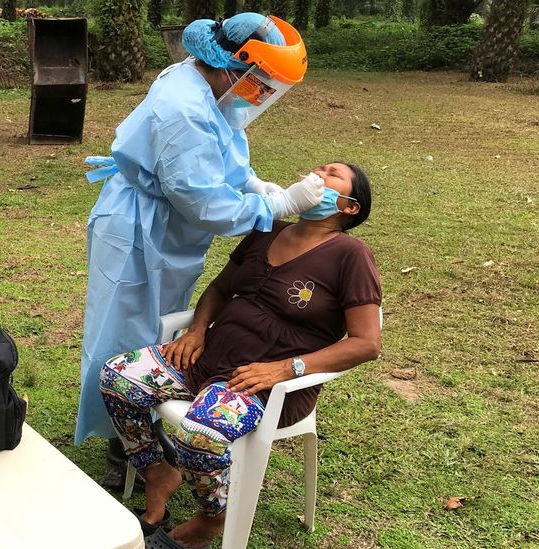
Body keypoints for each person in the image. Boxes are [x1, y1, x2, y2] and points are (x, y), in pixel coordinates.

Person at [76, 13, 324, 487]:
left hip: (168, 227)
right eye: (262, 81)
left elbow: (225, 147)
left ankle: (144, 421)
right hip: (137, 226)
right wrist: (278, 203)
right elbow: (203, 201)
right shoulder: (183, 106)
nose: (262, 93)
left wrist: (251, 182)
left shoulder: (214, 87)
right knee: (122, 328)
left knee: (160, 321)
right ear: (236, 67)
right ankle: (123, 442)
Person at [99, 162, 382, 548]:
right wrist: (197, 330)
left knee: (199, 436)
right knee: (117, 378)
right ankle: (158, 474)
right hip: (207, 357)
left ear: (349, 206)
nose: (318, 174)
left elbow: (366, 343)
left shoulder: (351, 255)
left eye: (332, 174)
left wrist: (287, 368)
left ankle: (211, 519)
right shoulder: (267, 229)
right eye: (318, 167)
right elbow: (219, 289)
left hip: (264, 382)